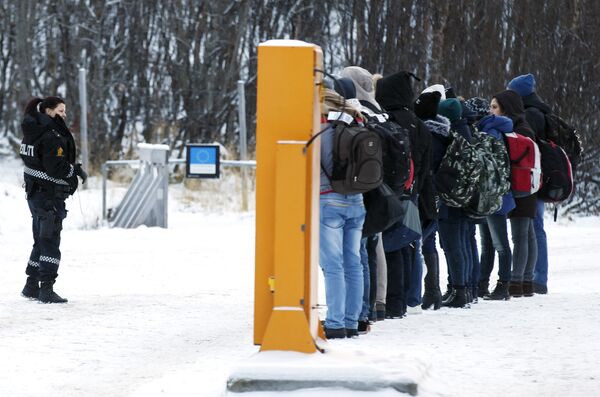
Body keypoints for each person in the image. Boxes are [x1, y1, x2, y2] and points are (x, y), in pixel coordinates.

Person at [20, 96, 87, 303]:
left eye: (64, 110)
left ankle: (31, 285)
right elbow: (55, 168)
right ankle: (46, 289)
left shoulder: (32, 131)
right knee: (50, 241)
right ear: (48, 111)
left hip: (35, 194)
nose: (64, 115)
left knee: (40, 239)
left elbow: (36, 162)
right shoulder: (51, 136)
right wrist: (73, 171)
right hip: (48, 197)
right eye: (60, 110)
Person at [319, 79, 366, 339]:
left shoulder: (320, 128)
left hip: (328, 200)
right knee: (354, 262)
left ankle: (335, 323)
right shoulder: (355, 121)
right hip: (357, 201)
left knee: (333, 265)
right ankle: (351, 321)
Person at [491, 90, 538, 298]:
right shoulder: (524, 126)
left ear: (505, 108)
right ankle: (526, 281)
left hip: (520, 186)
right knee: (527, 234)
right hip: (528, 185)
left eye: (494, 107)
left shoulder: (516, 129)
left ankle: (517, 282)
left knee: (521, 235)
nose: (490, 111)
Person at [507, 73, 551, 294]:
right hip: (539, 175)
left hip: (533, 178)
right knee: (534, 228)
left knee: (534, 228)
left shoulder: (530, 115)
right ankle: (535, 277)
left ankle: (537, 278)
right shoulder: (539, 110)